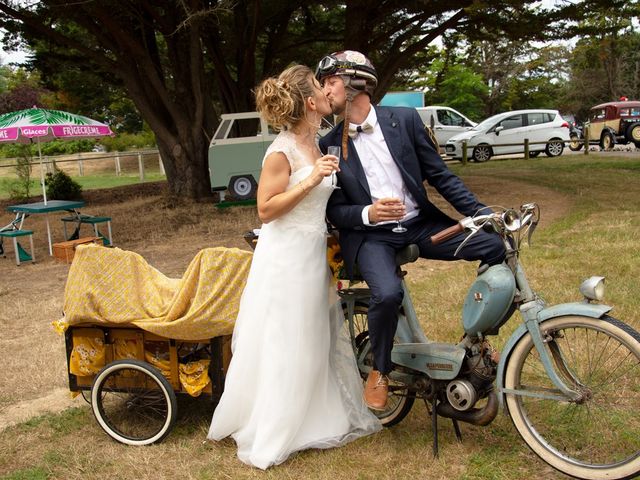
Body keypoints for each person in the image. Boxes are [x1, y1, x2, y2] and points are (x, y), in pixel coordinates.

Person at [207, 64, 381, 469]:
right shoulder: (280, 150)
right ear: (309, 102)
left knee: (313, 334)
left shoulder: (319, 145)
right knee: (286, 338)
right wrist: (309, 180)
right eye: (322, 87)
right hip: (284, 257)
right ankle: (275, 426)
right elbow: (265, 210)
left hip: (311, 253)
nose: (328, 92)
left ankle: (314, 417)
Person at [316, 51, 506, 411]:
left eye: (330, 82)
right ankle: (380, 372)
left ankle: (476, 343)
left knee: (494, 246)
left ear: (355, 84)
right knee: (387, 294)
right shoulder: (327, 144)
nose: (324, 90)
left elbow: (441, 176)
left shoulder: (404, 121)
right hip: (373, 236)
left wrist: (481, 213)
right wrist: (368, 212)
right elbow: (334, 211)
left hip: (422, 225)